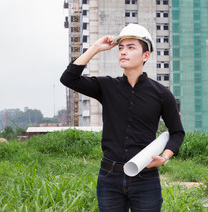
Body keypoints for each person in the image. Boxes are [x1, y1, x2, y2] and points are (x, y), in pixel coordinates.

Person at [60, 23, 185, 211]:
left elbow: (177, 133)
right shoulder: (107, 87)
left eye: (131, 47)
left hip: (146, 177)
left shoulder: (161, 94)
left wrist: (165, 157)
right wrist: (95, 48)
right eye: (120, 48)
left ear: (146, 56)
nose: (123, 52)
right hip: (109, 177)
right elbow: (68, 78)